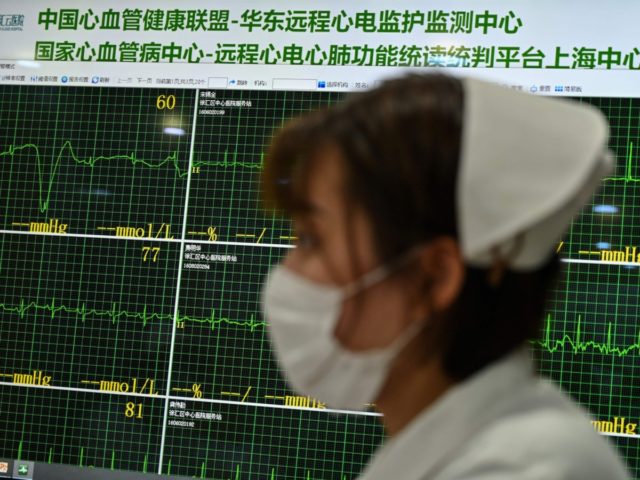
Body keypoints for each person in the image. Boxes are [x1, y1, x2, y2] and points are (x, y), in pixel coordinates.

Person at [260, 74, 630, 479]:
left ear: (434, 277)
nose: (288, 270)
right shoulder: (453, 446)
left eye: (311, 239)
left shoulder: (522, 470)